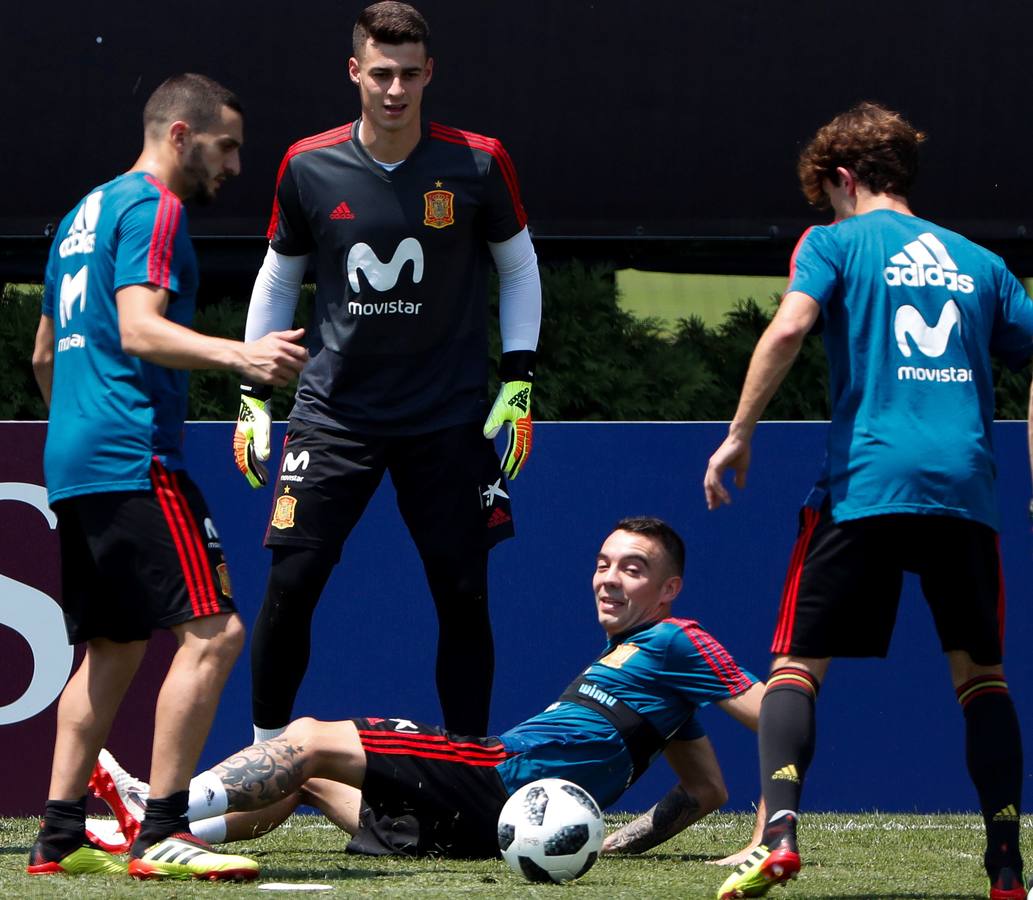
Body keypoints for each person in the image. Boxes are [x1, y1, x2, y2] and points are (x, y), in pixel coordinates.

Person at [704, 102, 1033, 900]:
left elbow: (787, 329)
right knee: (979, 676)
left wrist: (739, 432)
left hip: (867, 483)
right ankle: (1005, 864)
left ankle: (776, 835)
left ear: (844, 179)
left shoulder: (833, 242)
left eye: (827, 194)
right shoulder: (980, 263)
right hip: (963, 486)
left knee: (795, 666)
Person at [91, 517, 765, 864]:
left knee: (304, 738)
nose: (608, 579)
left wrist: (773, 826)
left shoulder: (677, 639)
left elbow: (778, 716)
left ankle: (160, 806)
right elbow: (704, 791)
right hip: (480, 829)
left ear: (669, 589)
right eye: (602, 564)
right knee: (307, 781)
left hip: (497, 780)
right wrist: (619, 843)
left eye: (633, 569)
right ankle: (157, 834)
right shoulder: (653, 686)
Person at [233, 0, 542, 744]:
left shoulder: (477, 160)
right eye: (380, 74)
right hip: (334, 415)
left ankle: (469, 765)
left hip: (446, 417)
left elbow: (519, 268)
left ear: (429, 72)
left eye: (409, 74)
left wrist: (520, 381)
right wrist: (250, 395)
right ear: (354, 73)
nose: (395, 89)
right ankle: (262, 756)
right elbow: (278, 282)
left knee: (463, 593)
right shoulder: (308, 163)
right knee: (291, 585)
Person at [27, 73, 309, 880]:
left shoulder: (83, 214)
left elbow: (46, 353)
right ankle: (161, 830)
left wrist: (78, 424)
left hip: (75, 458)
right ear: (180, 135)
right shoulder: (156, 206)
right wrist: (241, 355)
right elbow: (140, 328)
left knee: (111, 647)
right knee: (215, 634)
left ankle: (57, 837)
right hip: (134, 452)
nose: (234, 167)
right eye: (226, 148)